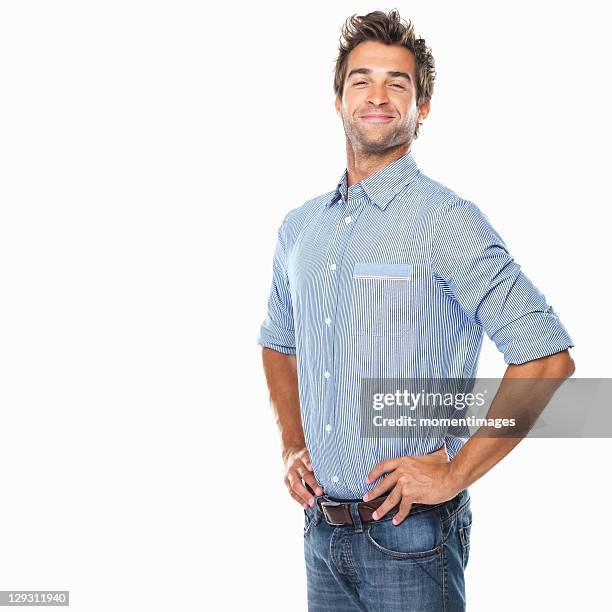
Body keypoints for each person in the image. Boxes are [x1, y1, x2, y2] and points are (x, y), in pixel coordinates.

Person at [257, 10, 575, 612]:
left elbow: (546, 360)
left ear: (421, 106)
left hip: (412, 537)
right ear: (338, 100)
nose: (377, 96)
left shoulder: (445, 221)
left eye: (397, 83)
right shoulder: (299, 228)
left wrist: (454, 475)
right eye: (361, 80)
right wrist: (291, 443)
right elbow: (278, 339)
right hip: (321, 533)